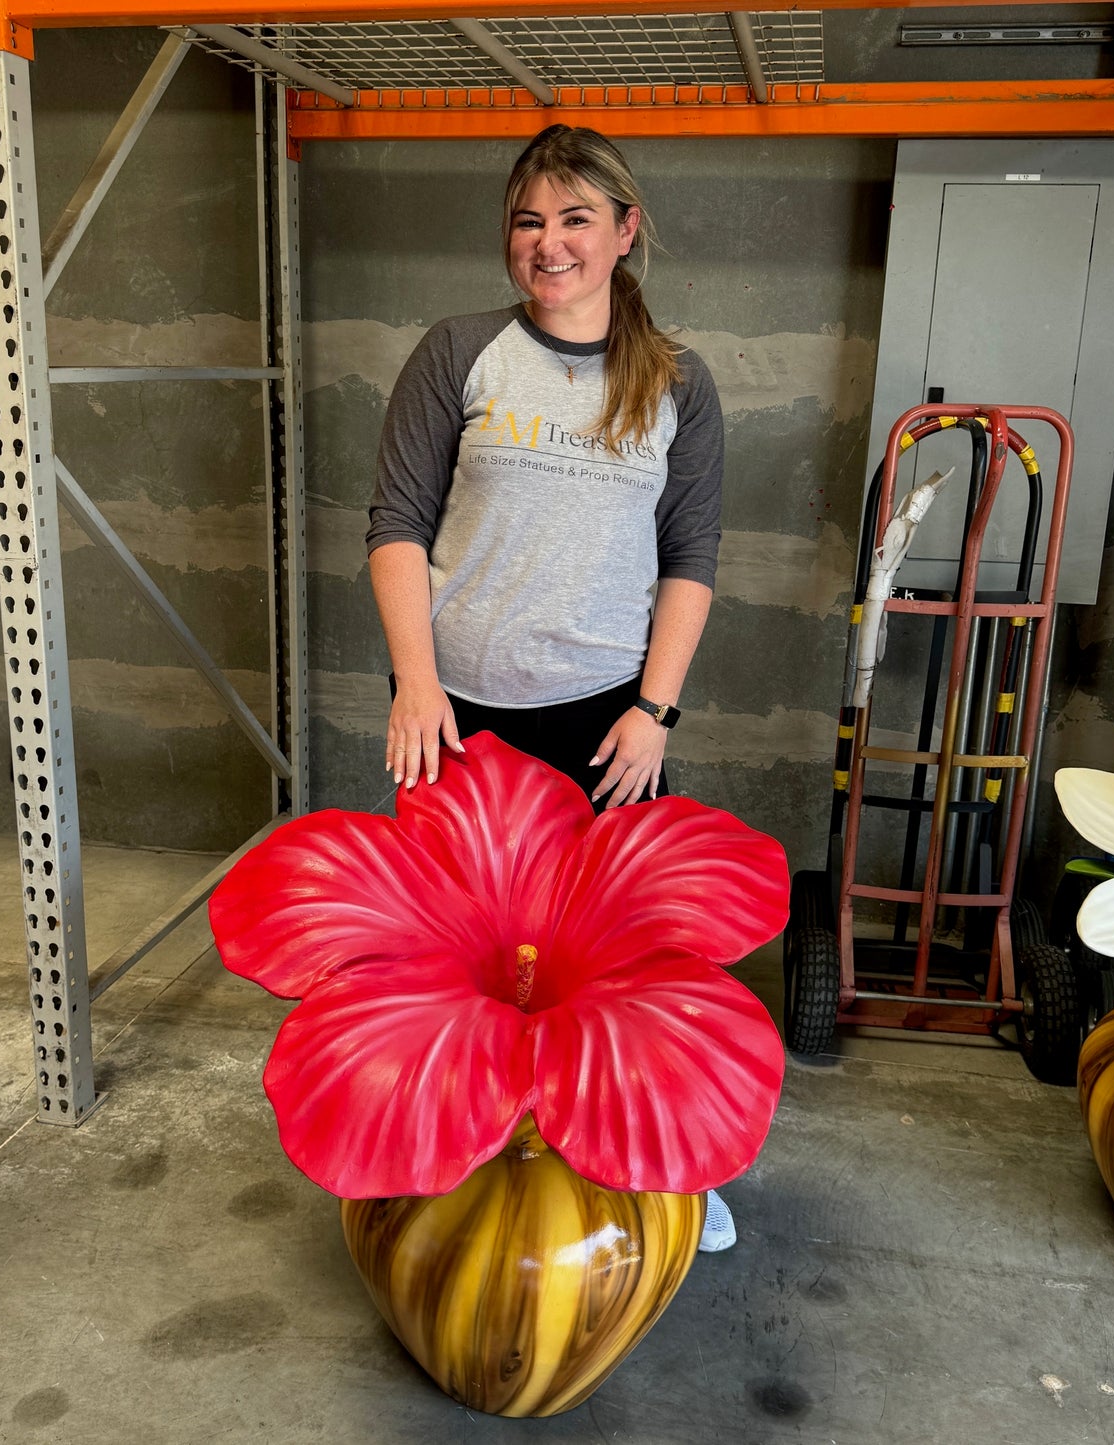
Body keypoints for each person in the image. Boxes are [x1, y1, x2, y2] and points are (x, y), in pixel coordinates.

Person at [365, 124, 735, 1252]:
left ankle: (662, 1163)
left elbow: (691, 559)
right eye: (528, 219)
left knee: (619, 970)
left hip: (605, 719)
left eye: (575, 218)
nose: (548, 242)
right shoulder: (458, 351)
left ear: (624, 232)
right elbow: (394, 527)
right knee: (459, 967)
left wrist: (652, 711)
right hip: (460, 717)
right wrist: (415, 684)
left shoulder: (675, 380)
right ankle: (456, 1149)